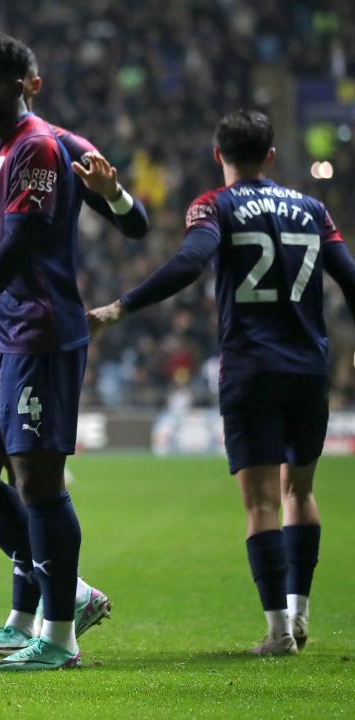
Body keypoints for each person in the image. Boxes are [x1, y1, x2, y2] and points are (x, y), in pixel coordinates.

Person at [87, 109, 355, 656]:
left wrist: (121, 307)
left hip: (251, 368)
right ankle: (299, 613)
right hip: (309, 368)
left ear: (218, 155)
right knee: (300, 491)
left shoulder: (214, 205)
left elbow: (190, 263)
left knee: (261, 503)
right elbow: (350, 280)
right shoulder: (313, 210)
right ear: (270, 155)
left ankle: (278, 632)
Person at [0, 45, 148, 657]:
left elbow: (131, 226)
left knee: (34, 480)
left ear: (25, 85)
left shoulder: (53, 147)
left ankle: (50, 625)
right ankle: (60, 596)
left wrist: (115, 195)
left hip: (32, 331)